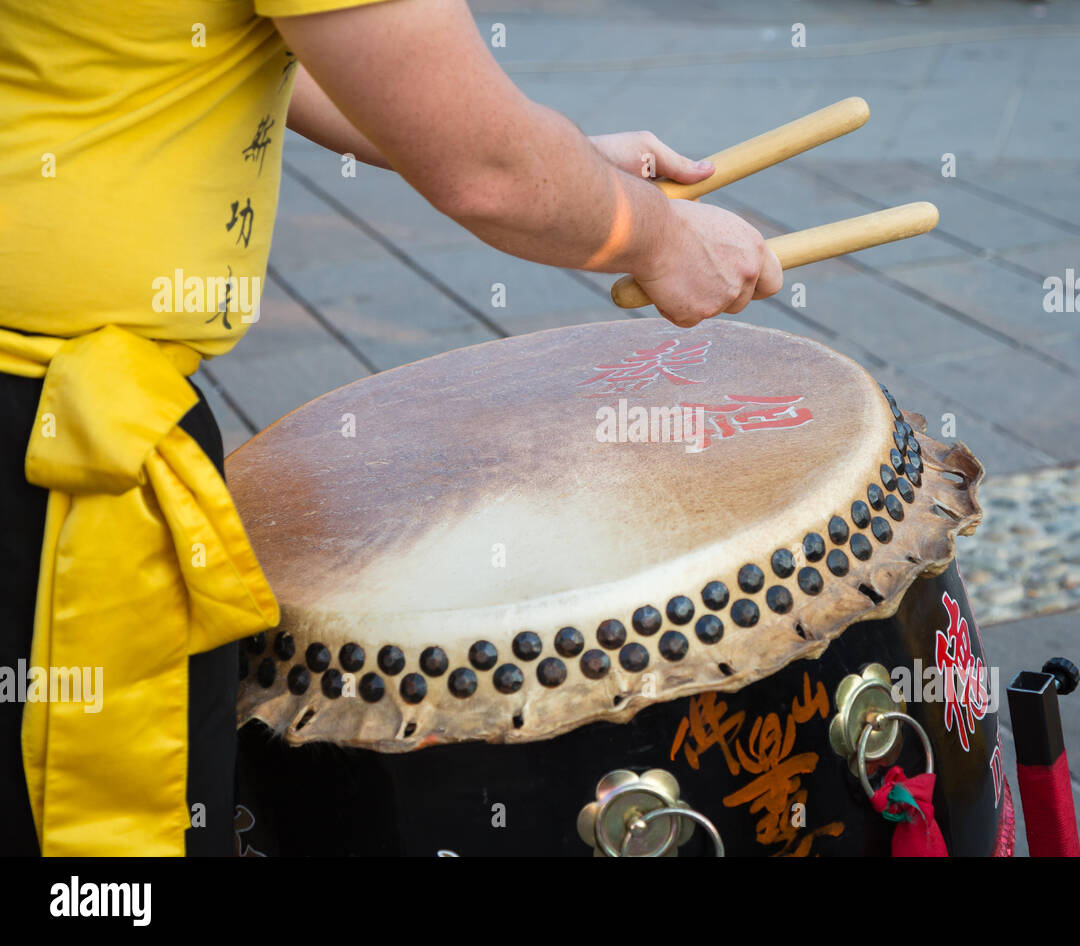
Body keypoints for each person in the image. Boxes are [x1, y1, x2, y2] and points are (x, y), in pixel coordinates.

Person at [0, 0, 782, 856]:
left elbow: (267, 41)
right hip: (49, 437)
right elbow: (486, 170)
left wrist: (558, 157)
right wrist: (659, 235)